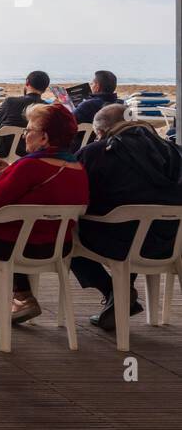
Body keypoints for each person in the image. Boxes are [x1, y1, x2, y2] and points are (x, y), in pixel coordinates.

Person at [0, 104, 89, 324]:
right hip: (57, 248)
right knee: (19, 228)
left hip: (9, 247)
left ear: (44, 138)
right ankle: (22, 296)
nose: (25, 134)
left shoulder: (29, 167)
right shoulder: (78, 168)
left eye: (29, 130)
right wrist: (10, 171)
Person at [71, 104, 182, 332]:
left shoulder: (95, 152)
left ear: (100, 131)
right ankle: (120, 294)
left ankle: (113, 290)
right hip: (170, 241)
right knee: (140, 225)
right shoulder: (174, 151)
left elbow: (75, 196)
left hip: (117, 242)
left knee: (65, 235)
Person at [0, 69, 49, 158]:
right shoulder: (47, 107)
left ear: (27, 83)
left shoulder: (10, 102)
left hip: (4, 150)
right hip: (34, 150)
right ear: (44, 89)